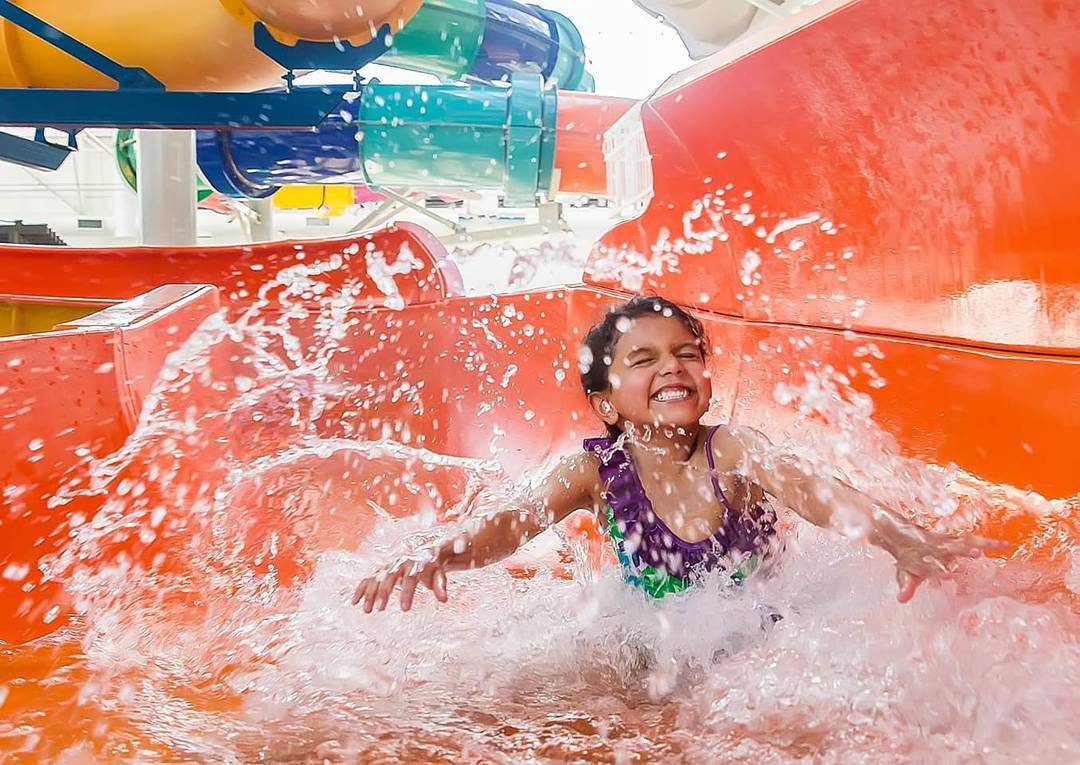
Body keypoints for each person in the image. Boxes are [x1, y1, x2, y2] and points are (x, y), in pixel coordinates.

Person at [352, 295, 1005, 613]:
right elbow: (511, 523)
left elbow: (818, 492)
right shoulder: (596, 473)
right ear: (606, 403)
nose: (674, 366)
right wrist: (440, 551)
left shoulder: (734, 450)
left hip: (755, 629)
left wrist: (902, 539)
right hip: (651, 635)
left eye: (688, 352)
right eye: (644, 358)